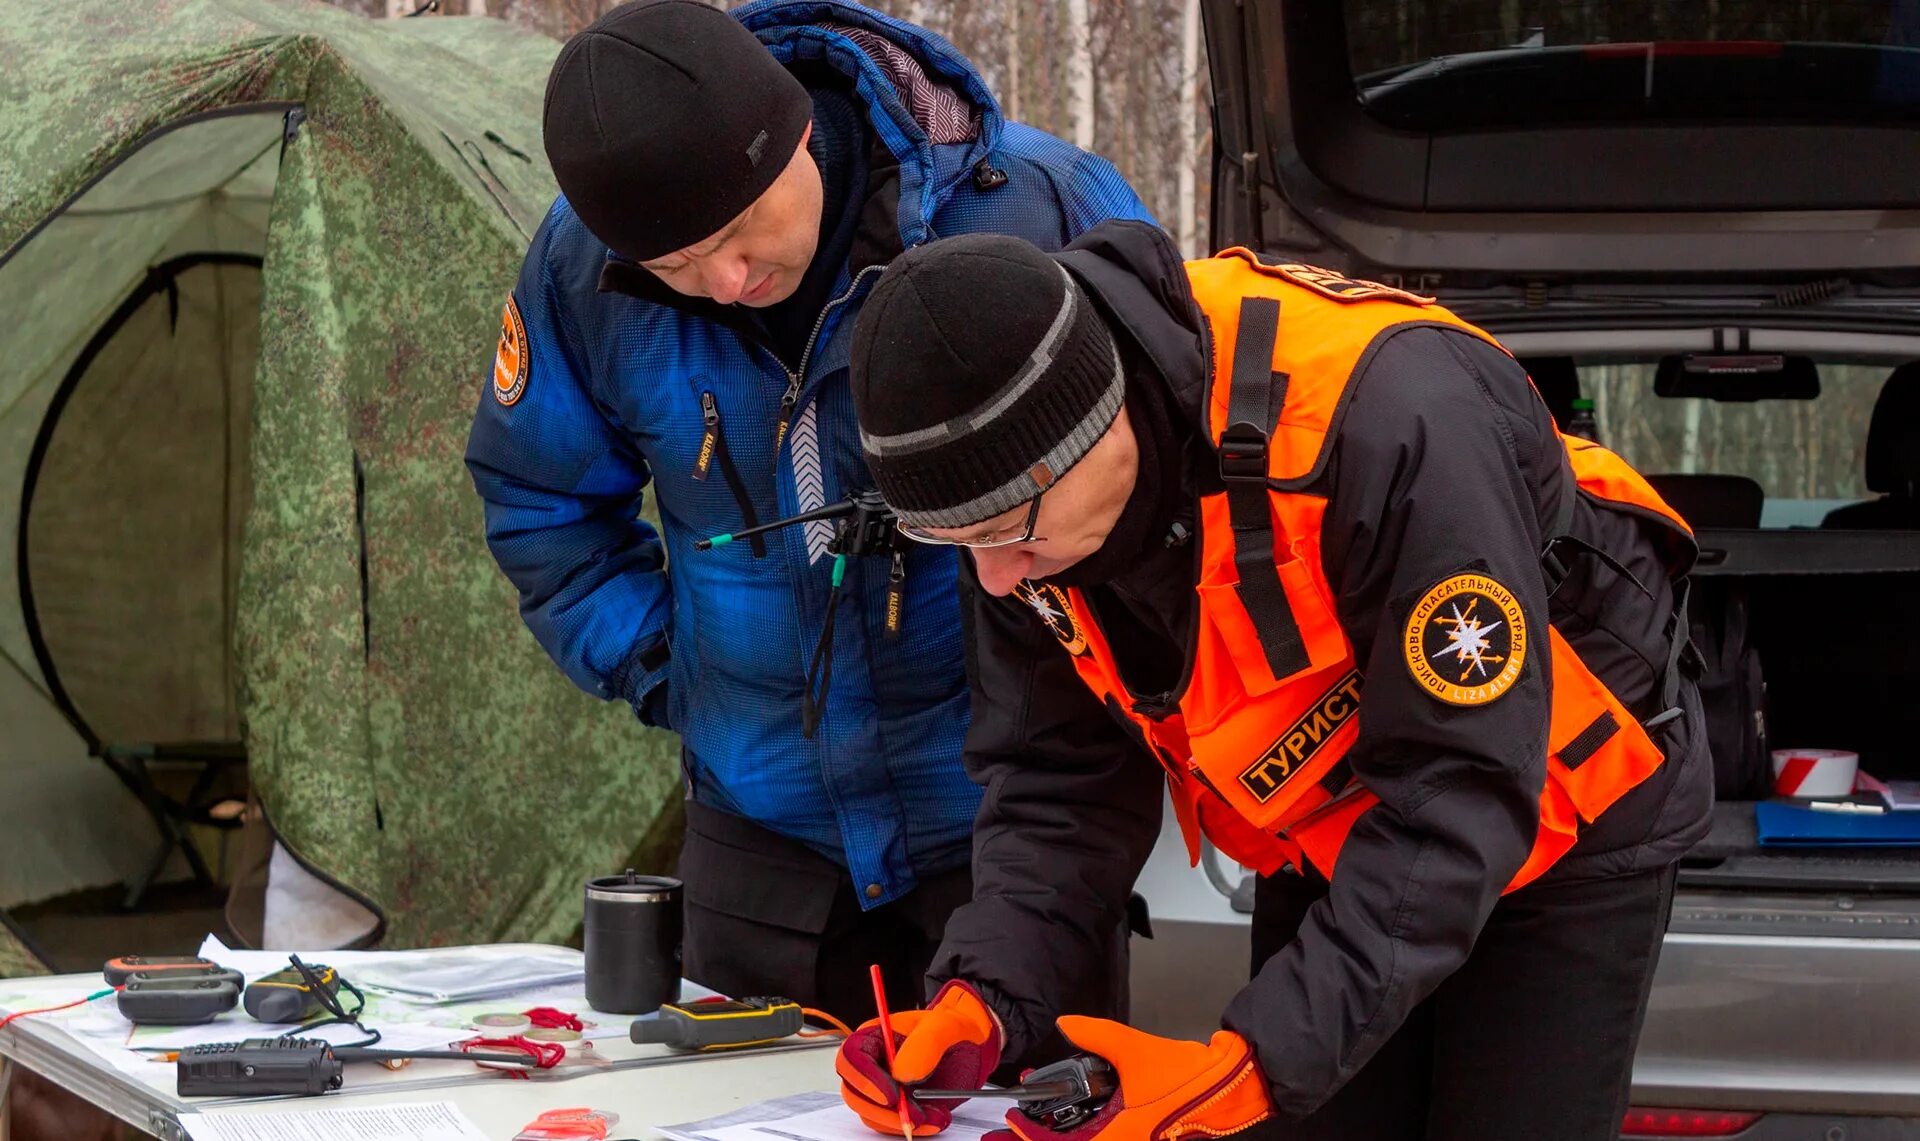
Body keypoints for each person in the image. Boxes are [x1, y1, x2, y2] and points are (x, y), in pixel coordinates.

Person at [832, 222, 1713, 1140]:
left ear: (1103, 424)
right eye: (955, 542)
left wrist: (1257, 1063)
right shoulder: (1015, 519)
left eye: (1010, 532)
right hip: (1329, 814)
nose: (996, 579)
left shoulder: (1393, 419)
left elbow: (1461, 789)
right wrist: (988, 993)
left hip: (1557, 797)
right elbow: (1058, 780)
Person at [464, 0, 1152, 1024]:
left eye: (741, 233)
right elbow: (540, 499)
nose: (729, 282)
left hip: (1010, 834)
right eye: (679, 267)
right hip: (758, 839)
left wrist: (1087, 688)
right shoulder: (581, 271)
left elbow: (1154, 487)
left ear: (793, 133)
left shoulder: (1033, 212)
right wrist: (673, 672)